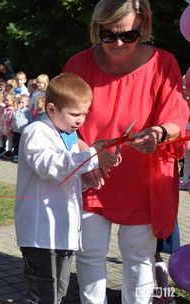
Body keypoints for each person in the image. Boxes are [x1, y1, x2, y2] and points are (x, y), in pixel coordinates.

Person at [62, 1, 190, 303]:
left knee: (138, 256)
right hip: (95, 174)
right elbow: (63, 124)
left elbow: (176, 117)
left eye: (129, 35)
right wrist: (86, 155)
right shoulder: (78, 65)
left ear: (143, 26)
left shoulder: (162, 62)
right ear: (97, 29)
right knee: (89, 252)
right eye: (109, 36)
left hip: (143, 178)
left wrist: (158, 133)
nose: (119, 43)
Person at [15, 73, 119, 304]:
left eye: (84, 113)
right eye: (74, 114)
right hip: (41, 233)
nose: (80, 120)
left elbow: (64, 178)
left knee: (57, 293)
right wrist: (92, 156)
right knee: (43, 296)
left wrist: (87, 178)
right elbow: (49, 167)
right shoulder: (36, 132)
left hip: (63, 232)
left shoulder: (67, 136)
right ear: (51, 109)